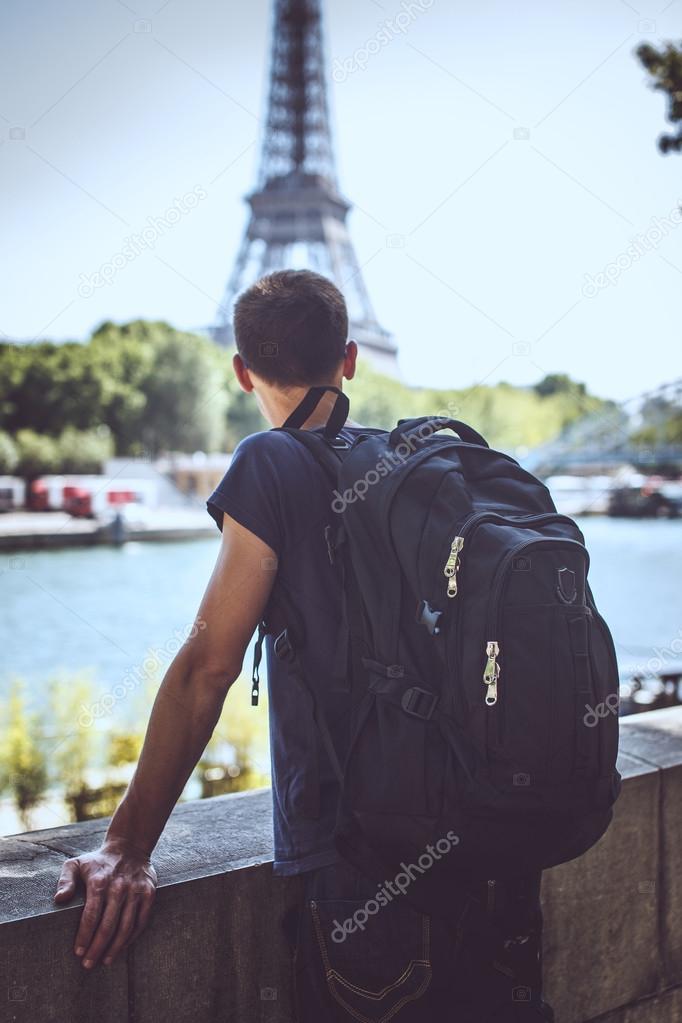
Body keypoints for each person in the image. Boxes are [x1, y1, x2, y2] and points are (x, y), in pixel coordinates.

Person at [53, 269, 553, 1021]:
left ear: (240, 368)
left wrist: (126, 846)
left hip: (368, 872)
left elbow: (205, 668)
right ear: (349, 359)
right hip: (494, 857)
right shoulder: (413, 463)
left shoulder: (270, 462)